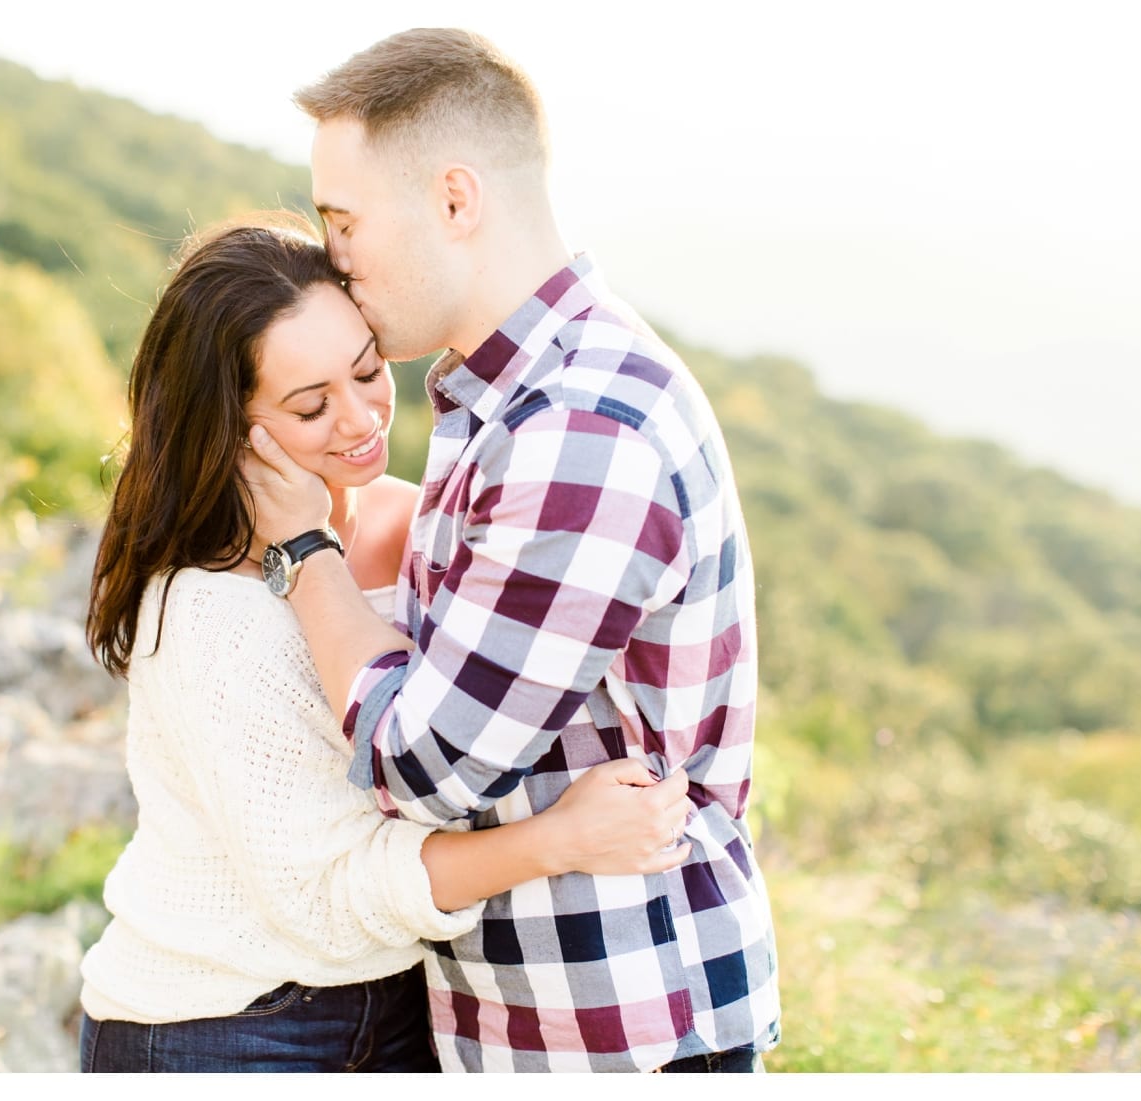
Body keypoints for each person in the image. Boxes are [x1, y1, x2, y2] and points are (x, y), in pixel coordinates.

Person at [241, 28, 781, 1073]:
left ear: (455, 200)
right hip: (545, 1023)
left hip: (619, 1029)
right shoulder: (504, 400)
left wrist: (301, 548)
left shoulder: (578, 431)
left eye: (345, 221)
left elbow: (426, 763)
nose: (333, 259)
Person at [77, 215, 695, 1073]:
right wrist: (561, 839)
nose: (361, 417)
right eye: (309, 404)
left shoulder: (422, 523)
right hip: (219, 1023)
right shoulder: (211, 613)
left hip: (407, 1006)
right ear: (230, 426)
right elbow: (326, 900)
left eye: (367, 370)